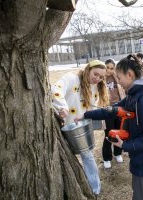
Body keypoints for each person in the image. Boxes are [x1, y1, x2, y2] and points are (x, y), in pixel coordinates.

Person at [75, 54, 143, 200]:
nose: (119, 81)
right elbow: (111, 110)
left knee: (141, 196)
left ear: (129, 74)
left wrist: (126, 145)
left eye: (119, 77)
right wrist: (86, 115)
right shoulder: (134, 95)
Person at [51, 60, 109, 196]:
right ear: (88, 69)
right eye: (96, 74)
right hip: (63, 125)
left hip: (79, 128)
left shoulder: (95, 87)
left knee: (87, 155)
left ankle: (95, 188)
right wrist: (62, 107)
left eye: (101, 77)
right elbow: (56, 89)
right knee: (64, 155)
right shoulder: (72, 78)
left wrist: (96, 120)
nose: (98, 79)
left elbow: (90, 107)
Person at [103, 59, 126, 169]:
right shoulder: (101, 79)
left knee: (119, 131)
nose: (110, 70)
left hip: (119, 107)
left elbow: (123, 90)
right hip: (107, 109)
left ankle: (118, 153)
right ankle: (107, 157)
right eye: (108, 67)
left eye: (112, 68)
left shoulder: (117, 78)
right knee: (108, 133)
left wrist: (116, 77)